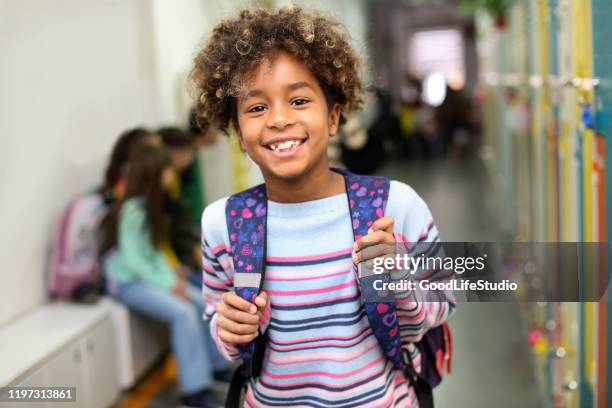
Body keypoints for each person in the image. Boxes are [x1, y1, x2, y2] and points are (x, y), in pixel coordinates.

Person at [191, 6, 455, 407]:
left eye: (299, 100)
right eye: (257, 107)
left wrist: (397, 281)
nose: (279, 119)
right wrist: (229, 327)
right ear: (240, 134)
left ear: (333, 118)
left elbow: (443, 300)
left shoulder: (394, 206)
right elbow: (222, 327)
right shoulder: (222, 225)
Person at [100, 145, 230, 408]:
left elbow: (154, 252)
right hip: (127, 282)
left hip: (148, 278)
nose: (172, 174)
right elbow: (134, 260)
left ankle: (216, 366)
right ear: (154, 173)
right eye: (167, 169)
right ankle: (193, 390)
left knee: (201, 301)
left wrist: (173, 275)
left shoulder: (151, 205)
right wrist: (170, 285)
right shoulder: (134, 210)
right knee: (183, 313)